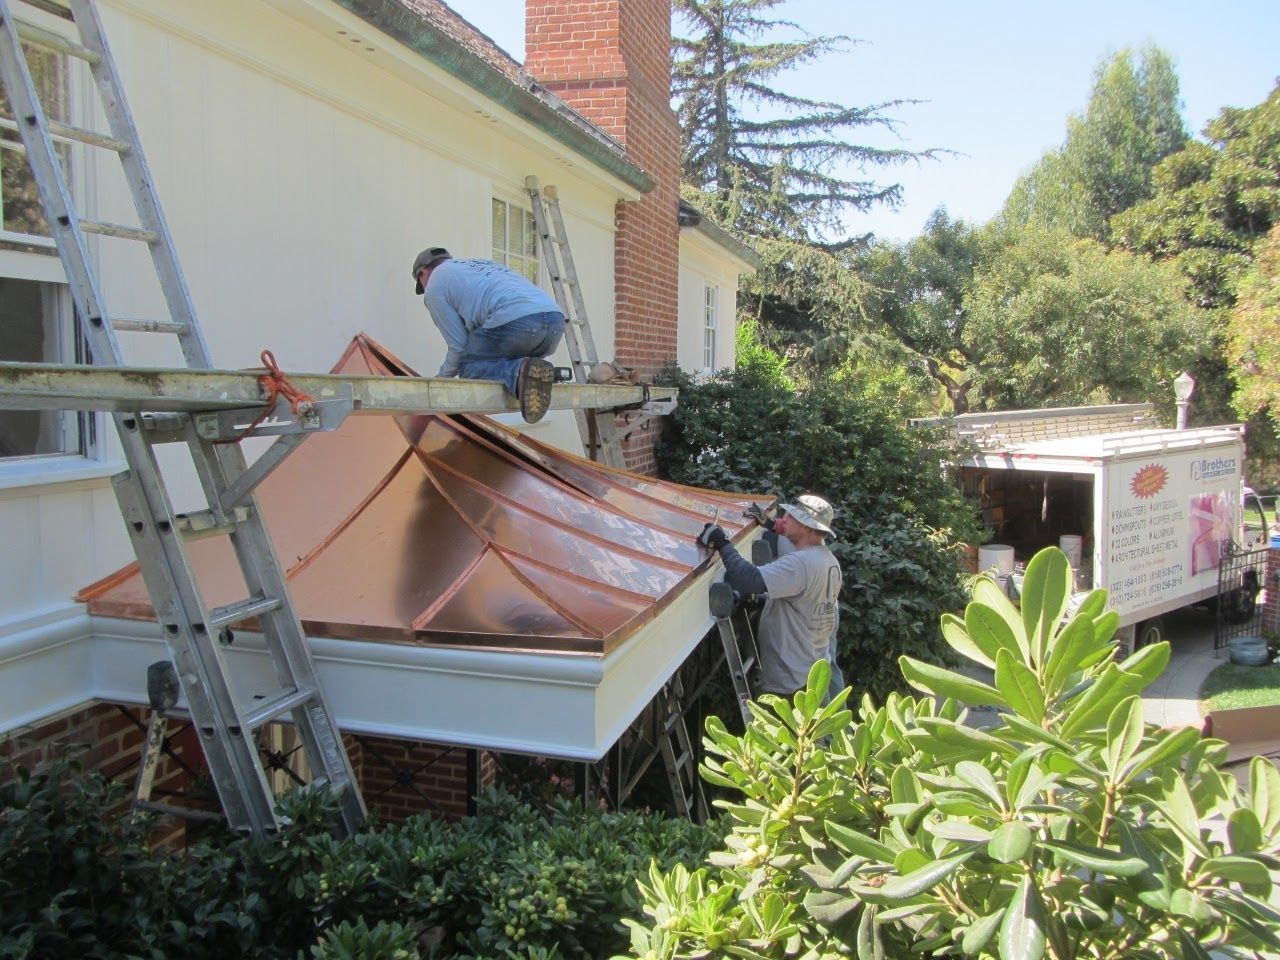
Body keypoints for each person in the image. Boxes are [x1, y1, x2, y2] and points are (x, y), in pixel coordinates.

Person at [700, 494, 842, 699]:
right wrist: (759, 601)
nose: (783, 519)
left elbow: (750, 579)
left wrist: (721, 543)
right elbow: (803, 603)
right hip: (811, 672)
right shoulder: (827, 560)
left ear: (807, 527)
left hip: (793, 684)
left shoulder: (800, 563)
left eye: (791, 517)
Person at [411, 247, 564, 423]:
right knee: (500, 359)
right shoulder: (478, 265)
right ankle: (540, 373)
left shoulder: (434, 286)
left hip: (516, 322)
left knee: (469, 366)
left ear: (422, 273)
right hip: (555, 322)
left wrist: (439, 383)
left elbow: (459, 347)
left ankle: (520, 370)